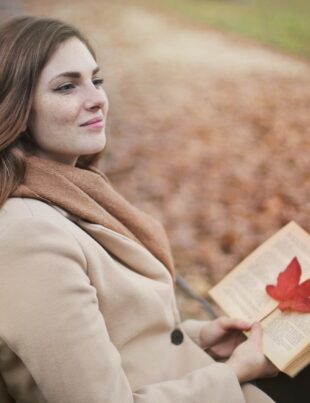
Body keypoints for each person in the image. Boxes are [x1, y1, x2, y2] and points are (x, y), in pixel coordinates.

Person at [0, 15, 283, 403]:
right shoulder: (27, 235)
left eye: (95, 80)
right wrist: (233, 373)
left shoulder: (74, 193)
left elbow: (114, 334)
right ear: (14, 108)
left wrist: (200, 338)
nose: (97, 97)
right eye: (67, 86)